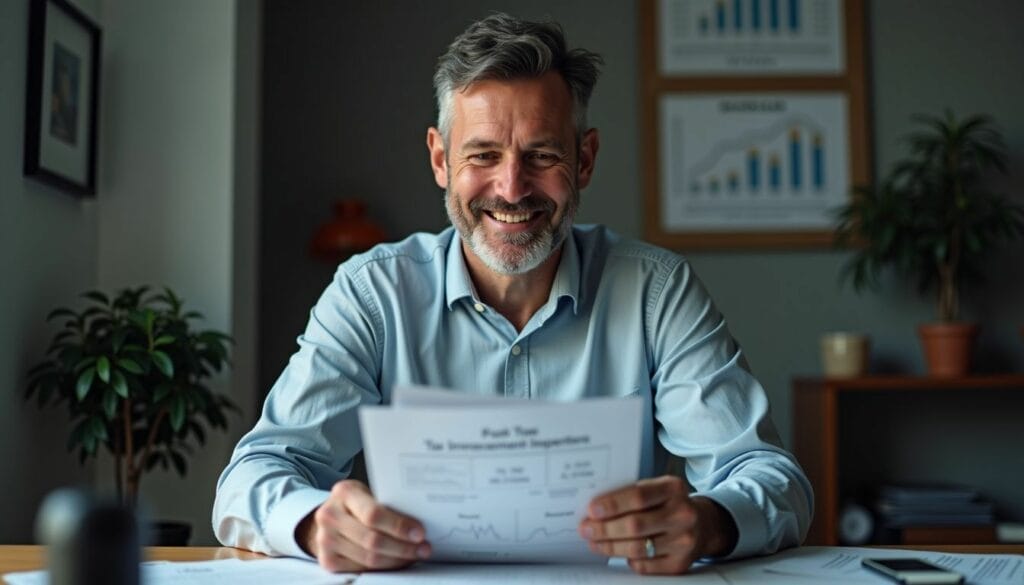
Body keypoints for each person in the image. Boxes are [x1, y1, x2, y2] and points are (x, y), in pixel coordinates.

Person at [213, 13, 813, 576]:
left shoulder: (657, 291)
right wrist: (319, 526)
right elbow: (252, 477)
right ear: (441, 160)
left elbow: (772, 477)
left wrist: (708, 524)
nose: (511, 187)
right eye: (483, 155)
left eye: (542, 155)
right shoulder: (372, 292)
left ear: (584, 161)